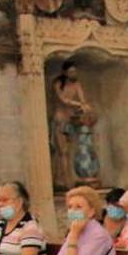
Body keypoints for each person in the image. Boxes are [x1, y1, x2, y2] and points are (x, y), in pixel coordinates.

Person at [51, 60, 92, 191]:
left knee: (69, 151)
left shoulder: (76, 84)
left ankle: (67, 179)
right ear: (65, 72)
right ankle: (65, 181)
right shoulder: (58, 84)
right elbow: (63, 99)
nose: (73, 73)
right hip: (60, 119)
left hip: (70, 119)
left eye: (75, 71)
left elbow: (82, 99)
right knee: (62, 152)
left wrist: (84, 106)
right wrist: (79, 105)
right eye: (71, 71)